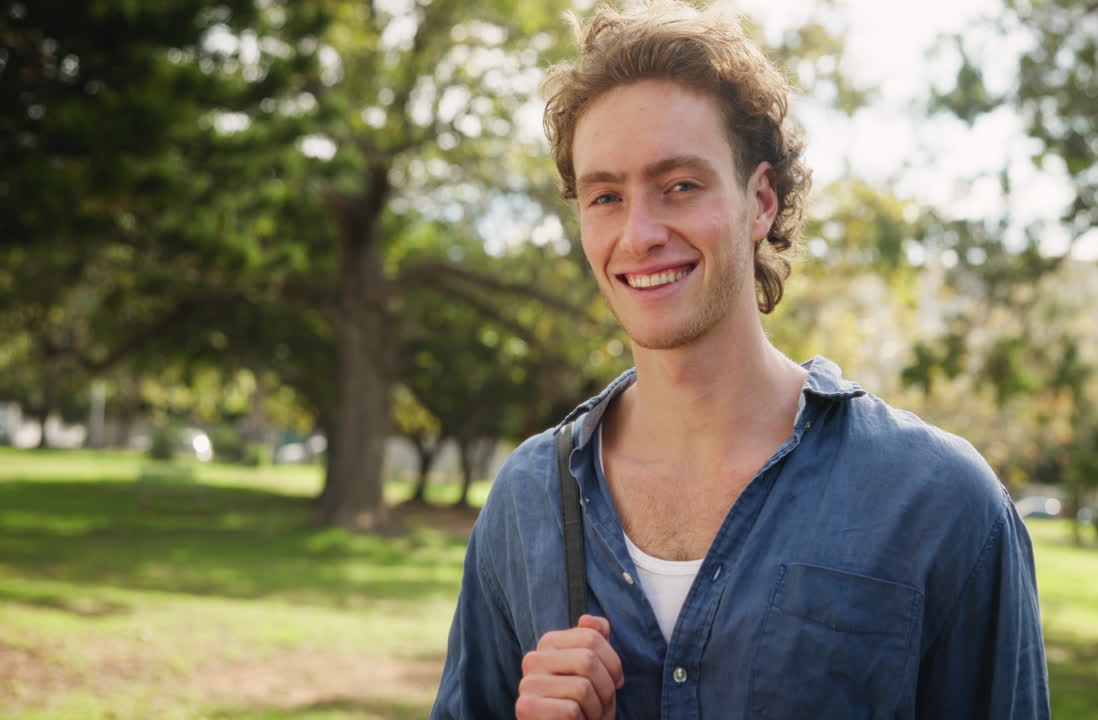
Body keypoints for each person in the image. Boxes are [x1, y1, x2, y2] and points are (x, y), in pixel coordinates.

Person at [431, 2, 1050, 718]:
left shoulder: (940, 503)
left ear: (760, 202)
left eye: (680, 186)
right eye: (606, 196)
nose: (639, 234)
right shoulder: (526, 501)